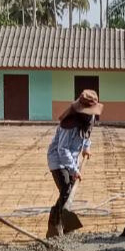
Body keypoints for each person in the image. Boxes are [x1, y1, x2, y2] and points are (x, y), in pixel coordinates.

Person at [46, 89, 101, 238]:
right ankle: (54, 224)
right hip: (57, 159)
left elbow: (88, 133)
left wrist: (86, 147)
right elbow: (62, 149)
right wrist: (74, 170)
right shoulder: (68, 124)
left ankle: (65, 224)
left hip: (72, 159)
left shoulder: (89, 118)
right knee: (66, 189)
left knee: (68, 193)